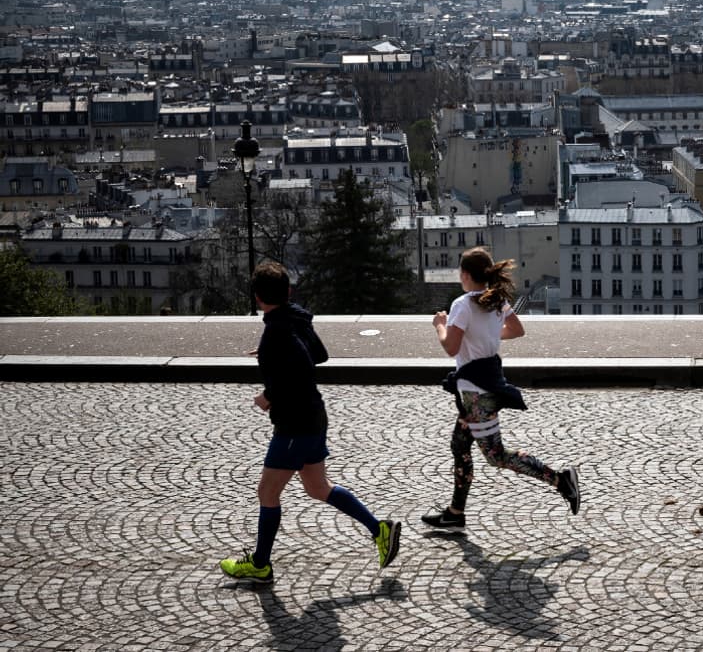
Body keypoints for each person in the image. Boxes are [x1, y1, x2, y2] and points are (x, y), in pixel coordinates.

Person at [219, 262, 400, 582]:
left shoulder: (277, 329)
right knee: (317, 487)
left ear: (258, 298)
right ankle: (379, 529)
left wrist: (268, 396)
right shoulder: (295, 318)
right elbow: (319, 354)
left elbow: (301, 366)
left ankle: (260, 564)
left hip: (294, 424)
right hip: (314, 416)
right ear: (288, 292)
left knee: (267, 492)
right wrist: (269, 353)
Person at [423, 247, 581, 531]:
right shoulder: (496, 299)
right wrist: (488, 334)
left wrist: (440, 325)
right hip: (487, 381)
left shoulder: (462, 304)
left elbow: (450, 347)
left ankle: (561, 480)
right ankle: (455, 513)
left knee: (497, 456)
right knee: (459, 445)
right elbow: (517, 329)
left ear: (466, 275)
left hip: (476, 393)